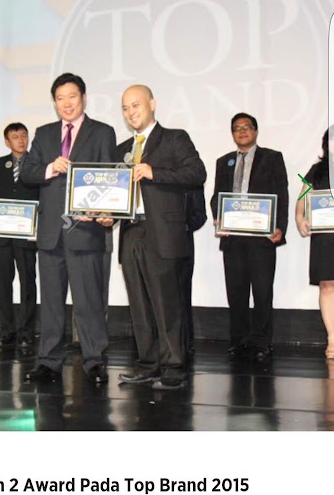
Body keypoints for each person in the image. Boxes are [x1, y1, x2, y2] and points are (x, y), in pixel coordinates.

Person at [21, 73, 116, 384]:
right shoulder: (44, 133)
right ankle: (48, 361)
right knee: (51, 303)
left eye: (72, 96)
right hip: (51, 233)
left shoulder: (102, 132)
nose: (66, 103)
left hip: (85, 231)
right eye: (60, 98)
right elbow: (27, 173)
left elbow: (111, 178)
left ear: (83, 98)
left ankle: (94, 360)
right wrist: (51, 167)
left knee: (89, 302)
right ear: (54, 102)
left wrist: (108, 213)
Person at [116, 85, 206, 390]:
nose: (131, 112)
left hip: (163, 233)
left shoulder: (174, 138)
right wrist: (107, 214)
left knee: (168, 305)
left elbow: (197, 173)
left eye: (136, 105)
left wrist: (155, 172)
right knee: (139, 305)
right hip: (131, 232)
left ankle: (174, 366)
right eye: (125, 108)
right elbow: (117, 193)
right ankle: (148, 363)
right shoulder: (121, 149)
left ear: (152, 104)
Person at [210, 112, 288, 361]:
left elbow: (282, 194)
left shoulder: (272, 158)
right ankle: (239, 341)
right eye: (237, 128)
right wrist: (219, 218)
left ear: (255, 131)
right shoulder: (224, 161)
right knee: (236, 294)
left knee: (263, 293)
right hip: (233, 238)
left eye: (247, 127)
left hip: (262, 238)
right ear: (232, 133)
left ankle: (262, 342)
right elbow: (216, 197)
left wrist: (280, 227)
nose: (242, 131)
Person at [0, 122, 38, 349]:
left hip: (27, 235)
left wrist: (39, 224)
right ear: (7, 141)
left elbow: (44, 197)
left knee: (28, 284)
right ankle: (7, 330)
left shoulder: (37, 163)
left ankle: (26, 332)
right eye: (15, 137)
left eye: (24, 135)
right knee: (3, 283)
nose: (21, 140)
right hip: (2, 235)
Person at [295, 130, 334, 357]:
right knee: (327, 286)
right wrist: (300, 217)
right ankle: (332, 339)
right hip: (325, 237)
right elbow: (303, 197)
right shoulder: (316, 170)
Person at [182, 187, 207, 353]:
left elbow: (199, 215)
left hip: (180, 244)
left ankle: (184, 343)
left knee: (181, 295)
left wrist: (179, 226)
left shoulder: (190, 176)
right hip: (147, 241)